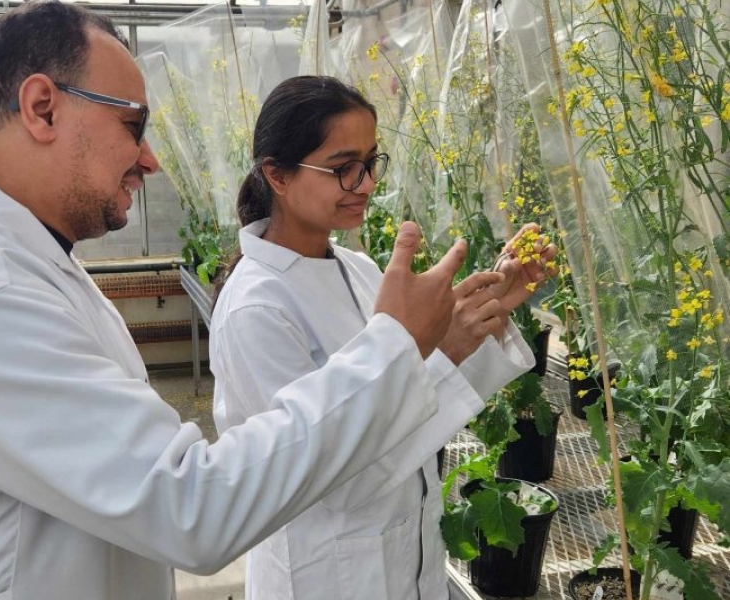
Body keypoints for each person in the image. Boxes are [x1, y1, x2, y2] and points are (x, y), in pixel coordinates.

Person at [0, 3, 524, 600]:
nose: (151, 159)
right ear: (42, 107)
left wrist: (445, 339)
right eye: (133, 126)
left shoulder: (31, 269)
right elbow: (193, 505)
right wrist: (394, 344)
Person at [209, 75, 557, 600]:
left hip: (406, 558)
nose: (367, 183)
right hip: (327, 574)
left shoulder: (359, 268)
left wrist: (488, 308)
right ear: (277, 176)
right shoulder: (257, 308)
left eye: (371, 163)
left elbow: (416, 401)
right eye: (343, 168)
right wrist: (444, 350)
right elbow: (338, 482)